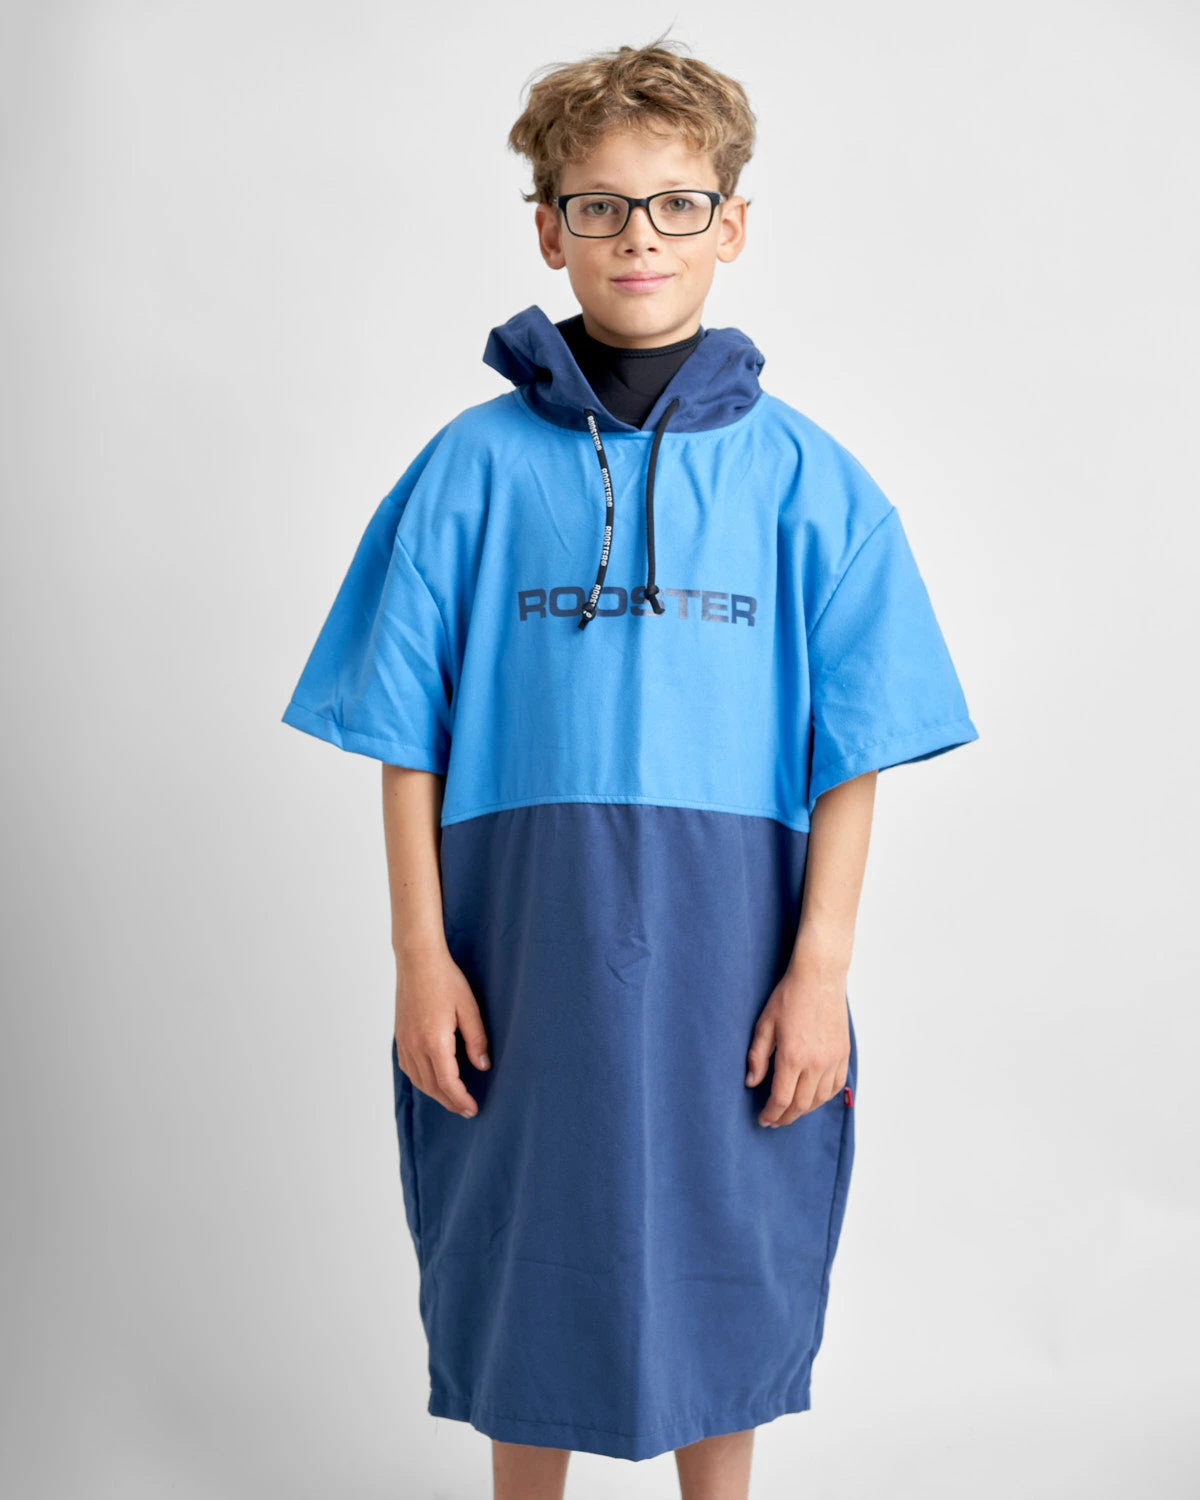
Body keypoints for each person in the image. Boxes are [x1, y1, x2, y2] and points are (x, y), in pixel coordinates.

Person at [280, 35, 979, 1500]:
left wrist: (821, 971)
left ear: (732, 224)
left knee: (730, 1221)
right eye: (599, 206)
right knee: (524, 1233)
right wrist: (420, 956)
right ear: (550, 229)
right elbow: (403, 735)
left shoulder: (809, 484)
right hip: (516, 939)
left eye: (675, 204)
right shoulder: (468, 471)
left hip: (738, 940)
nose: (638, 237)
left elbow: (854, 752)